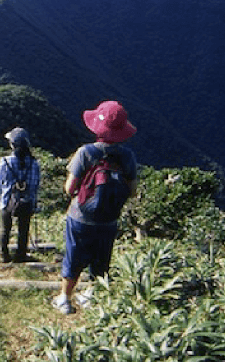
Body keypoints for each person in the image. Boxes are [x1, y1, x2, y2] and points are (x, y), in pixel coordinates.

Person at [54, 101, 138, 314]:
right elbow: (133, 190)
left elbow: (69, 188)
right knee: (102, 259)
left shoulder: (86, 152)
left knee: (74, 255)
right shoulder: (127, 156)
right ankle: (90, 297)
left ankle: (65, 299)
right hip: (109, 219)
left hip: (80, 217)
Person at [0, 127, 40, 263]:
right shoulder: (34, 163)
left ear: (12, 145)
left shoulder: (5, 162)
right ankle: (21, 255)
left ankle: (4, 255)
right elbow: (35, 186)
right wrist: (34, 204)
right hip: (26, 201)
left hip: (7, 200)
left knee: (5, 229)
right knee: (23, 230)